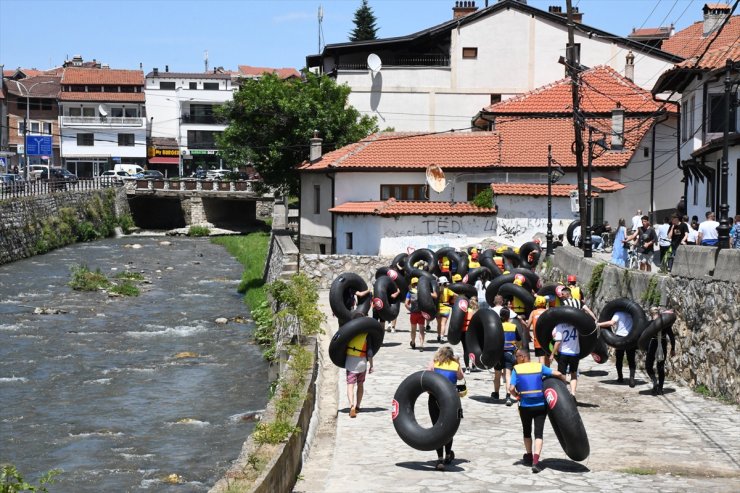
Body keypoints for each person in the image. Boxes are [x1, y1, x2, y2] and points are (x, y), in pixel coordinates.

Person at [509, 349, 567, 473]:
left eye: (517, 356)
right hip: (541, 405)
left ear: (523, 357)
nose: (516, 358)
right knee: (539, 433)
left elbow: (511, 388)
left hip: (525, 406)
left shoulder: (516, 370)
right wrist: (563, 382)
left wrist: (516, 396)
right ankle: (536, 461)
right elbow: (556, 373)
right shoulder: (539, 366)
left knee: (526, 431)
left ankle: (529, 455)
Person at [427, 345, 464, 470]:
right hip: (451, 401)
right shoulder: (455, 365)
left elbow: (427, 377)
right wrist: (457, 362)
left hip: (435, 398)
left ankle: (439, 459)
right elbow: (460, 377)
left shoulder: (434, 363)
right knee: (449, 428)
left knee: (437, 427)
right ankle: (448, 455)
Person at [597, 310, 637, 387]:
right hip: (631, 337)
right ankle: (632, 379)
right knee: (631, 359)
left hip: (620, 338)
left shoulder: (618, 313)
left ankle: (620, 377)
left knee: (619, 358)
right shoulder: (633, 313)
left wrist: (599, 324)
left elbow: (611, 323)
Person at [345, 316, 374, 418]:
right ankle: (358, 406)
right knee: (360, 385)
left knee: (350, 385)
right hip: (362, 363)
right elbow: (369, 353)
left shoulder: (348, 333)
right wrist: (371, 365)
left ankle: (351, 405)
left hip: (350, 362)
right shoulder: (366, 336)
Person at [645, 307, 676, 396]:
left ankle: (658, 386)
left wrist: (673, 349)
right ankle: (657, 385)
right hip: (657, 344)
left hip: (658, 344)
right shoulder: (654, 324)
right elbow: (671, 336)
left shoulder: (660, 324)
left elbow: (671, 336)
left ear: (651, 314)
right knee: (654, 366)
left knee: (656, 366)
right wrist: (673, 348)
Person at [551, 317, 580, 399]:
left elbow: (558, 342)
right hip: (575, 353)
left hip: (563, 353)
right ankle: (573, 393)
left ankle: (565, 393)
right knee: (573, 374)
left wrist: (552, 354)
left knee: (562, 374)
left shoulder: (560, 326)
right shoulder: (577, 325)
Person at [500, 308, 522, 406]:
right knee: (508, 375)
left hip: (498, 353)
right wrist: (517, 348)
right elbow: (519, 339)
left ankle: (496, 393)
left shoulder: (498, 326)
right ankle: (508, 396)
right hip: (509, 353)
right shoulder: (513, 326)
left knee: (499, 374)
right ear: (509, 316)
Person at [524, 295, 550, 366]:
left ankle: (542, 374)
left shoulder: (533, 312)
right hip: (548, 339)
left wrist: (528, 335)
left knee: (541, 358)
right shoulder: (548, 311)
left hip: (537, 339)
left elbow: (528, 326)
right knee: (547, 357)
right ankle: (547, 375)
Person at [405, 277, 425, 351]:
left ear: (412, 284)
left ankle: (413, 343)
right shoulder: (422, 292)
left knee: (413, 329)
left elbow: (406, 304)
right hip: (421, 313)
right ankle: (421, 345)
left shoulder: (409, 292)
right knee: (421, 330)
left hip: (413, 313)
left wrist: (411, 310)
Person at [435, 276, 456, 343]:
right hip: (446, 308)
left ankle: (438, 336)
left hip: (438, 308)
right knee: (443, 324)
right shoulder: (448, 290)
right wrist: (451, 301)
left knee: (438, 324)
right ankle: (442, 337)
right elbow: (456, 295)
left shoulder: (436, 290)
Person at [461, 297, 478, 373]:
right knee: (473, 349)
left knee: (466, 350)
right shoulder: (475, 312)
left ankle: (467, 368)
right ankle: (474, 365)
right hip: (472, 333)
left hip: (463, 332)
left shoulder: (463, 312)